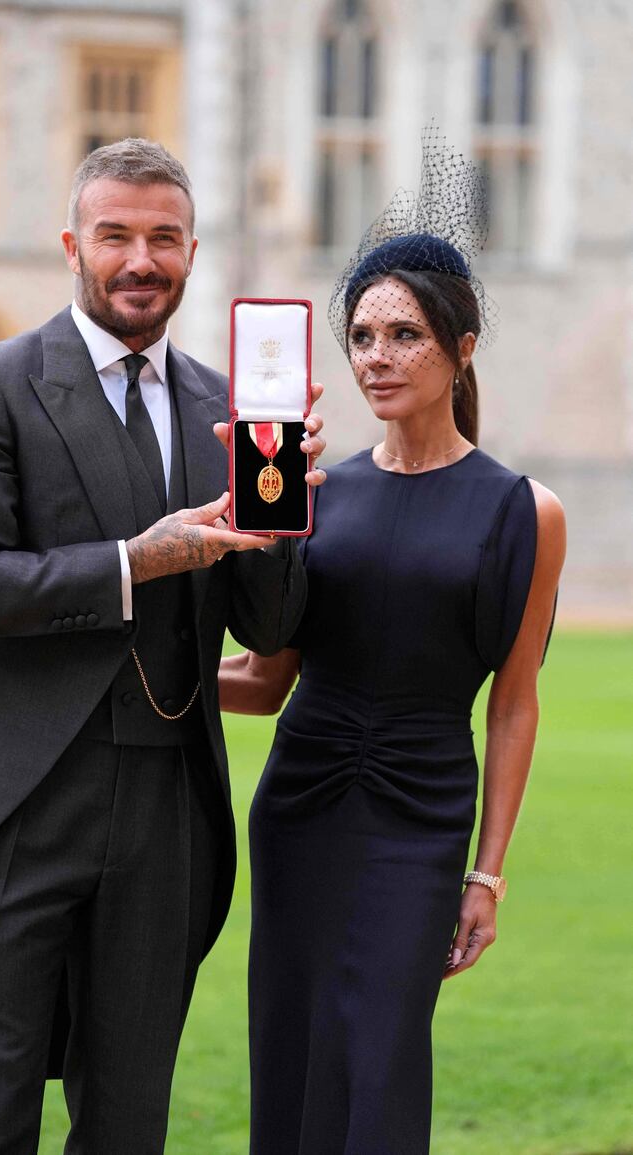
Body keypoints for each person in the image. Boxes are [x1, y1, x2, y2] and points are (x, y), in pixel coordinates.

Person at [0, 137, 326, 1153]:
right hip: (20, 799)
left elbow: (267, 628)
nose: (141, 259)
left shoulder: (227, 405)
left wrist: (284, 515)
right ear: (71, 245)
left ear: (190, 250)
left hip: (167, 807)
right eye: (116, 235)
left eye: (164, 238)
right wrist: (136, 562)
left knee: (129, 1122)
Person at [219, 132, 566, 1154]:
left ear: (460, 348)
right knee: (288, 1046)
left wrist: (486, 874)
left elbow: (511, 703)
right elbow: (267, 679)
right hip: (300, 803)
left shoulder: (523, 511)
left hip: (421, 815)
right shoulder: (311, 496)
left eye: (403, 335)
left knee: (380, 1057)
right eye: (360, 337)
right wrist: (147, 665)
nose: (374, 357)